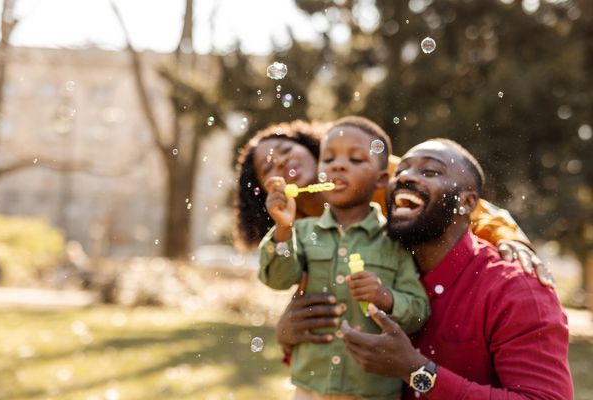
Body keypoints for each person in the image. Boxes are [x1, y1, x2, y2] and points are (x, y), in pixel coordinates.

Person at [338, 138, 573, 399]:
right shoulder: (379, 273)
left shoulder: (517, 289)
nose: (405, 177)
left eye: (430, 171)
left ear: (467, 202)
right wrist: (290, 338)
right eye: (401, 170)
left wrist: (417, 372)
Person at [233, 120, 546, 279]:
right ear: (261, 186)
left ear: (309, 146)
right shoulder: (294, 226)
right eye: (268, 167)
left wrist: (509, 237)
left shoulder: (375, 176)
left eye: (286, 151)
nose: (282, 163)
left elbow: (458, 203)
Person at [258, 116, 429, 399]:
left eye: (356, 159)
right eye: (328, 159)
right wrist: (283, 228)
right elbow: (278, 278)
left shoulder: (395, 242)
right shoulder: (300, 231)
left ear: (382, 178)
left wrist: (386, 297)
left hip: (372, 392)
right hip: (309, 390)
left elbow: (419, 311)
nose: (338, 165)